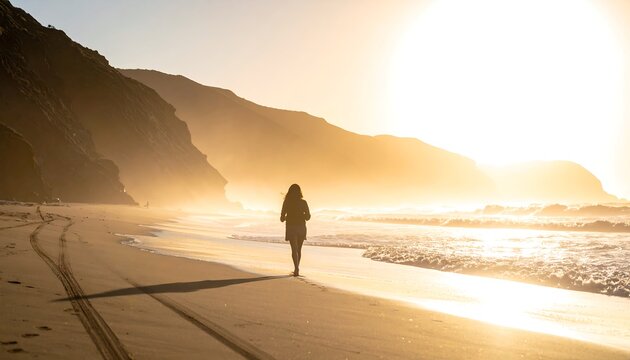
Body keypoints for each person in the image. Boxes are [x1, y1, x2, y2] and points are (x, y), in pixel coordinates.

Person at [280, 184, 311, 276]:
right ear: (299, 192)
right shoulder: (303, 202)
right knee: (299, 249)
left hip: (291, 227)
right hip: (301, 227)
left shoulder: (287, 202)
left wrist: (286, 217)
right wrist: (302, 215)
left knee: (294, 248)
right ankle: (297, 268)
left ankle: (296, 268)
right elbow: (308, 217)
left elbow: (281, 219)